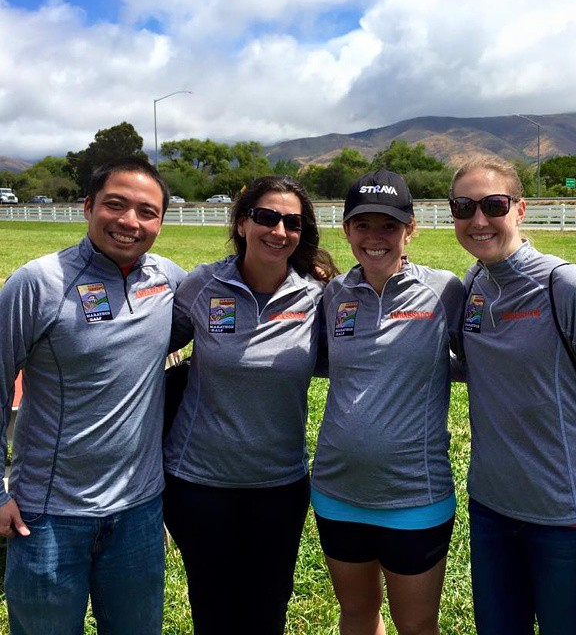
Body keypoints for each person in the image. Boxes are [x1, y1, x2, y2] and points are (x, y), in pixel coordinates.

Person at [449, 154, 576, 635]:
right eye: (462, 206)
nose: (478, 220)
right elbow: (464, 366)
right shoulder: (473, 286)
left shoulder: (569, 288)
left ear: (520, 209)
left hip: (569, 517)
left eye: (493, 204)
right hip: (491, 509)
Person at [0, 157, 186, 634]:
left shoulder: (168, 280)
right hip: (47, 516)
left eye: (147, 211)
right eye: (115, 205)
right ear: (88, 207)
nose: (130, 222)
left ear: (161, 221)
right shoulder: (38, 283)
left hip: (139, 515)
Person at [163, 175, 338, 634]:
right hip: (198, 481)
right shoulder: (204, 283)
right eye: (266, 217)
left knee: (268, 605)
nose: (279, 231)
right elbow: (150, 346)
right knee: (213, 603)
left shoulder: (317, 296)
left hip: (279, 482)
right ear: (242, 222)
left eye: (292, 223)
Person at [311, 169, 465, 635]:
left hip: (415, 495)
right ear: (346, 230)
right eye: (363, 225)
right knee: (357, 614)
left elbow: (482, 358)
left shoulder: (444, 291)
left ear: (410, 229)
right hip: (337, 493)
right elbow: (317, 359)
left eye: (389, 226)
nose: (375, 238)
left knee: (417, 625)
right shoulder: (333, 295)